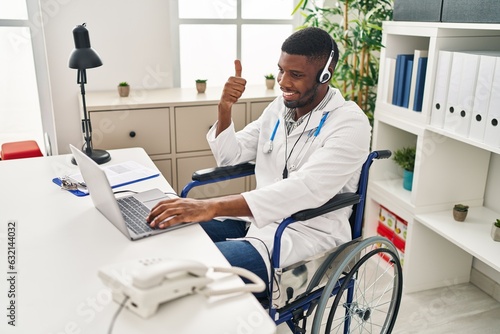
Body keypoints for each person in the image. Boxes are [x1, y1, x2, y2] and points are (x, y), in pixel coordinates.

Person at [147, 27, 371, 299]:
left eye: (296, 75)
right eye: (281, 70)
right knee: (165, 235)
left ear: (325, 75)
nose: (283, 82)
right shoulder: (280, 108)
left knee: (193, 268)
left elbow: (308, 189)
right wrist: (225, 107)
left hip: (303, 235)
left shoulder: (350, 123)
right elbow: (230, 156)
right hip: (257, 221)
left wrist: (210, 205)